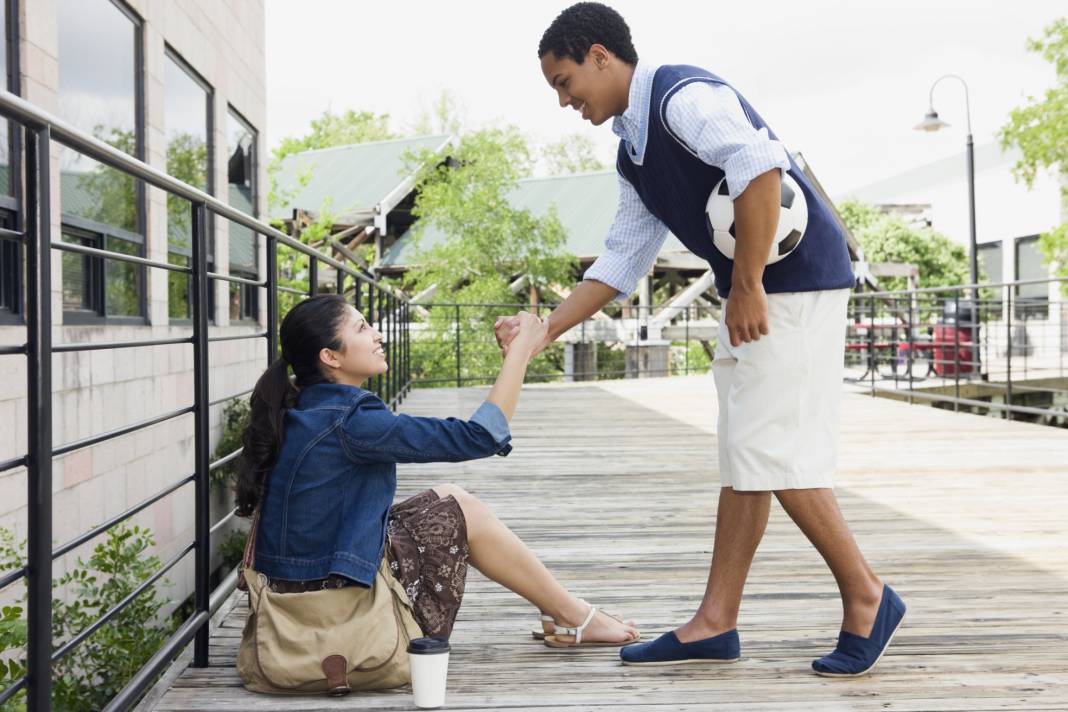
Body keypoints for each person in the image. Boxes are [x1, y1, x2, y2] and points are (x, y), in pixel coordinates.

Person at [496, 2, 905, 676]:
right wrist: (543, 330)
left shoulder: (682, 98)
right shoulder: (633, 154)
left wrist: (745, 286)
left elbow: (761, 165)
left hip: (793, 282)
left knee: (765, 446)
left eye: (565, 82)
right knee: (747, 448)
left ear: (600, 56)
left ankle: (867, 595)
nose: (564, 100)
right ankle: (716, 621)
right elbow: (622, 260)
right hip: (760, 288)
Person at [235, 294, 639, 672]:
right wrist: (519, 354)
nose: (377, 334)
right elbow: (479, 436)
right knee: (462, 509)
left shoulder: (304, 410)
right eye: (361, 329)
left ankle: (562, 611)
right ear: (330, 357)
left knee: (451, 497)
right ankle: (573, 615)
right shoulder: (349, 420)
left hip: (299, 587)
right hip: (333, 608)